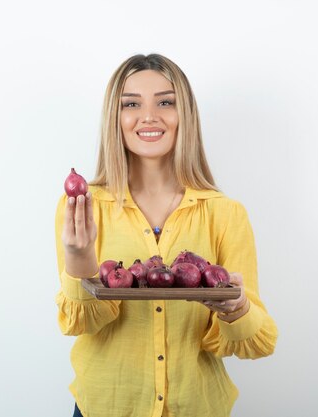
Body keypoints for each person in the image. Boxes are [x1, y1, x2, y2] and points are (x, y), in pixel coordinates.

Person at [54, 53, 278, 417]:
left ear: (183, 114)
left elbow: (260, 341)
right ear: (115, 117)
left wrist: (236, 309)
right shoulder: (82, 207)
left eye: (165, 102)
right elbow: (82, 323)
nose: (149, 116)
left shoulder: (225, 213)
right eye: (131, 104)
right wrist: (79, 260)